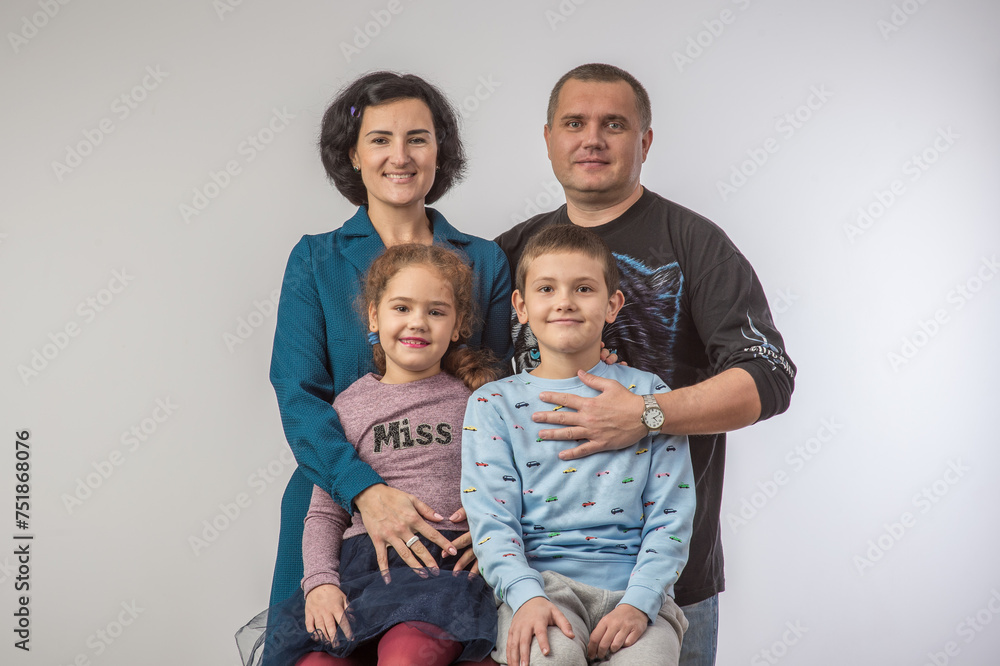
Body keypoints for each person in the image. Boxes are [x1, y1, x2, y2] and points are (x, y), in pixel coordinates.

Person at [495, 63, 796, 666]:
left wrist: (646, 415)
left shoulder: (695, 244)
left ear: (645, 141)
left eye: (615, 124)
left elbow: (769, 376)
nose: (593, 139)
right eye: (575, 123)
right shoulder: (507, 255)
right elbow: (465, 385)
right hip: (539, 586)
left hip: (670, 585)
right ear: (549, 137)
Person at [267, 71, 512, 617]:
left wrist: (489, 508)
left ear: (439, 151)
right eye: (380, 139)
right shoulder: (315, 259)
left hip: (454, 531)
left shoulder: (486, 260)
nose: (399, 156)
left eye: (417, 138)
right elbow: (298, 397)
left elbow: (498, 397)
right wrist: (365, 493)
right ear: (352, 154)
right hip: (333, 513)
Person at [240, 244, 500, 665]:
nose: (418, 321)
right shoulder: (350, 406)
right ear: (375, 318)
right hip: (363, 571)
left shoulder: (479, 400)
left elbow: (516, 481)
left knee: (406, 655)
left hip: (443, 572)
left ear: (457, 327)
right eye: (402, 308)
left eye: (436, 311)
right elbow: (325, 512)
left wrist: (494, 527)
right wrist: (321, 583)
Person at [461, 225, 695, 665]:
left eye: (583, 288)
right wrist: (524, 594)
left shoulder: (649, 395)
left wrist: (640, 600)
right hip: (539, 590)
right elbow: (491, 520)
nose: (565, 300)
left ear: (612, 306)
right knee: (552, 659)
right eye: (546, 288)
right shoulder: (492, 404)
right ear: (521, 306)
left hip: (636, 594)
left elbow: (671, 515)